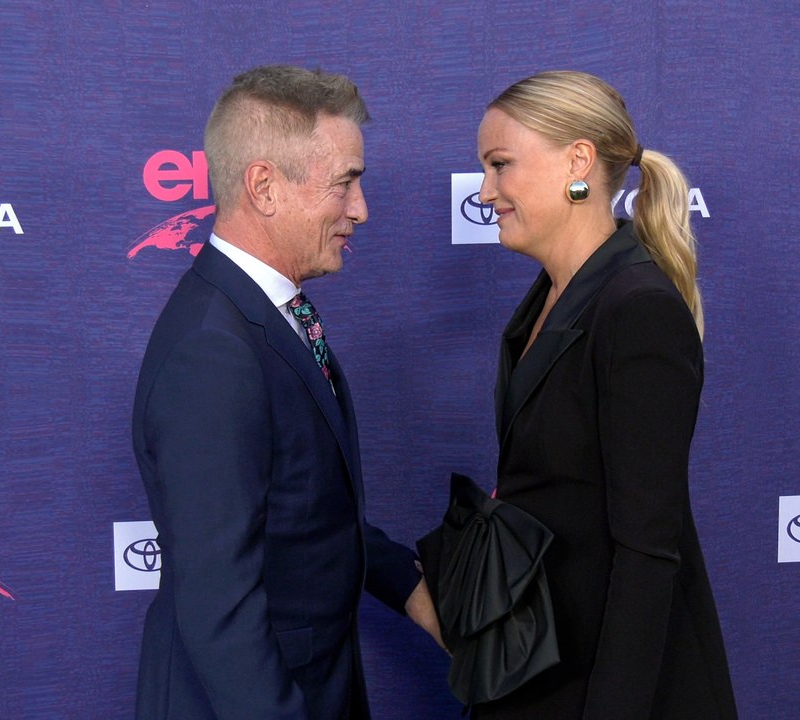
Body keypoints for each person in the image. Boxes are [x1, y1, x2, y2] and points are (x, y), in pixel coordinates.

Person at [131, 65, 440, 720]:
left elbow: (301, 514)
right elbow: (220, 605)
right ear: (265, 187)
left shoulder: (267, 314)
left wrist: (412, 588)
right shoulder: (213, 351)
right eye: (344, 183)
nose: (360, 209)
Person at [470, 71, 737, 718]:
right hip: (542, 665)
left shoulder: (637, 309)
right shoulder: (550, 297)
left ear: (578, 161)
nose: (485, 192)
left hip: (608, 687)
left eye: (500, 165)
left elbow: (647, 553)